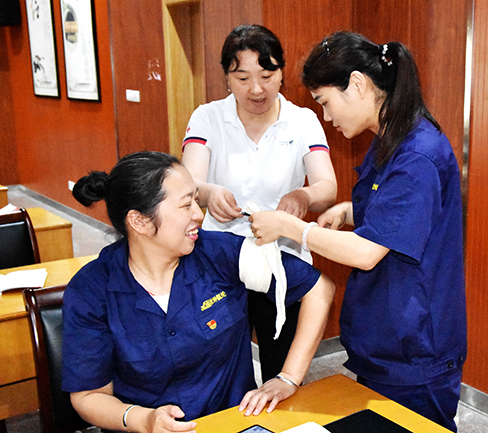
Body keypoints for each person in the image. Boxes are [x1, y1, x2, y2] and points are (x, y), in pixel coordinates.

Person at [249, 31, 467, 432]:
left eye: (325, 102)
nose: (327, 117)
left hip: (415, 347)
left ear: (358, 84)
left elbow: (368, 251)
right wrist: (350, 211)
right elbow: (396, 212)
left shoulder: (417, 154)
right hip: (385, 337)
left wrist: (293, 228)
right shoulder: (389, 140)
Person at [63, 151, 335, 433]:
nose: (198, 213)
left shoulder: (222, 254)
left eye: (196, 199)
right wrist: (143, 420)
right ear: (140, 221)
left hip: (234, 424)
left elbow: (319, 288)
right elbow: (88, 396)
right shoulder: (91, 290)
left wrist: (288, 378)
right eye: (185, 205)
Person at [181, 24, 337, 383]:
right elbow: (190, 183)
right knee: (219, 365)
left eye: (267, 76)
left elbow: (327, 186)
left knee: (281, 366)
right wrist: (209, 193)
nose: (256, 89)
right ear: (226, 78)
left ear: (281, 73)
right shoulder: (207, 117)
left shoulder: (302, 120)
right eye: (242, 78)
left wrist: (304, 195)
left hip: (282, 260)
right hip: (219, 261)